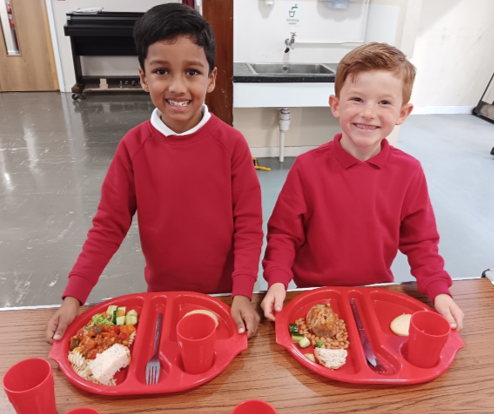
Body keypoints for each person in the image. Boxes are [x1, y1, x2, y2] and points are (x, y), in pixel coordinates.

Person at [46, 3, 263, 343]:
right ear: (144, 77)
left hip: (226, 297)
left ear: (211, 78)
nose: (177, 87)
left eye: (192, 72)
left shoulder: (232, 144)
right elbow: (107, 227)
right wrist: (74, 295)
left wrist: (242, 293)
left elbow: (249, 226)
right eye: (162, 71)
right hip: (162, 299)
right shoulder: (133, 148)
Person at [261, 42, 464, 330]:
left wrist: (438, 290)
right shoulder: (307, 167)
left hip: (375, 294)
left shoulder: (409, 172)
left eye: (384, 103)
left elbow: (421, 243)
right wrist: (278, 281)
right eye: (357, 99)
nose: (368, 113)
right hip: (312, 296)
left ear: (402, 114)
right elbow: (283, 235)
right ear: (336, 105)